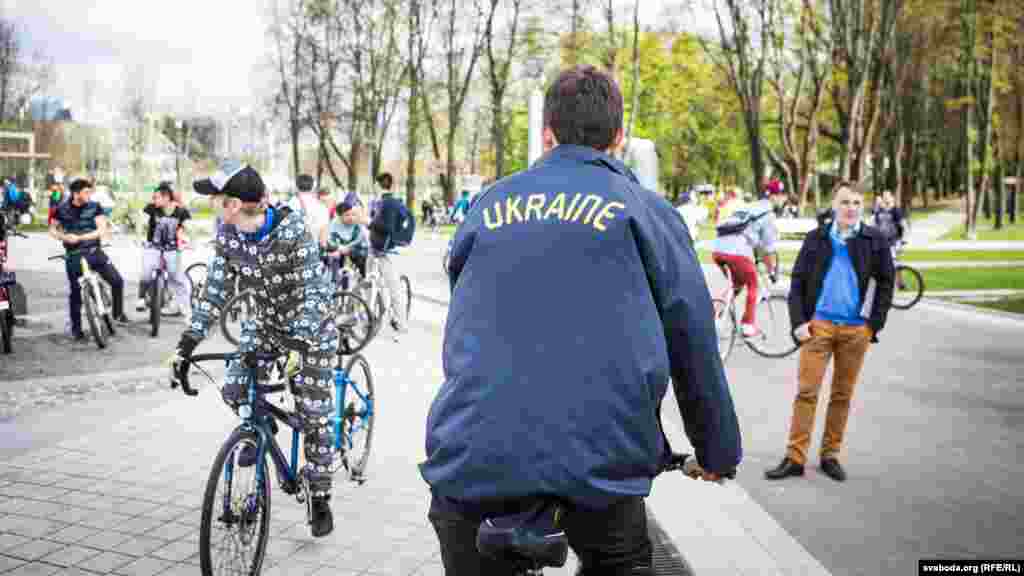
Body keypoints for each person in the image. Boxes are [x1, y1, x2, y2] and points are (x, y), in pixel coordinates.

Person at [420, 65, 741, 575]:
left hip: (471, 453)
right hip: (601, 461)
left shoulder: (488, 204)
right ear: (618, 137)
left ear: (548, 131)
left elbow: (466, 314)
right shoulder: (647, 211)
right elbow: (692, 338)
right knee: (620, 552)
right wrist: (717, 450)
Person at [171, 160, 340, 536]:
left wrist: (299, 342)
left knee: (313, 413)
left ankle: (321, 494)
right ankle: (261, 428)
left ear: (232, 204)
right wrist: (187, 343)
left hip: (310, 328)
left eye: (215, 199)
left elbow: (312, 291)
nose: (212, 205)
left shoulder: (293, 229)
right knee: (233, 387)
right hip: (264, 324)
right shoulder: (228, 234)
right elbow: (215, 291)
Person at [765, 182, 894, 483]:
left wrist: (873, 325)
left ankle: (830, 455)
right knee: (806, 392)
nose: (851, 208)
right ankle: (795, 458)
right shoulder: (817, 239)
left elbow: (887, 284)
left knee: (841, 395)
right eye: (845, 202)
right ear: (834, 205)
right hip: (818, 327)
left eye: (857, 203)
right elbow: (797, 282)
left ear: (863, 207)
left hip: (855, 330)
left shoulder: (875, 240)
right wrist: (799, 322)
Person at [50, 178, 129, 341]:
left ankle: (117, 315)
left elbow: (102, 229)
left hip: (94, 251)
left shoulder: (95, 206)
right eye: (86, 192)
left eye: (89, 191)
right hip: (74, 255)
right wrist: (64, 237)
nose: (89, 195)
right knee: (75, 294)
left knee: (117, 281)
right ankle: (76, 329)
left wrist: (80, 237)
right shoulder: (61, 209)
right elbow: (52, 230)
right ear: (75, 193)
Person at [709, 183, 787, 338]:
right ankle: (747, 325)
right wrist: (771, 271)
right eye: (780, 195)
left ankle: (713, 317)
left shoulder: (750, 207)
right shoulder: (768, 214)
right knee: (753, 283)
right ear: (773, 196)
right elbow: (768, 249)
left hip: (718, 249)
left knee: (736, 286)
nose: (782, 199)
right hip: (736, 251)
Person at [136, 182, 191, 317]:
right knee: (146, 270)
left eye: (156, 197)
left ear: (166, 198)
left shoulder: (181, 211)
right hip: (153, 246)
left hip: (172, 249)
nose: (153, 200)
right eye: (153, 197)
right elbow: (142, 221)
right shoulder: (151, 208)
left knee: (176, 276)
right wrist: (139, 237)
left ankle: (185, 308)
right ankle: (142, 298)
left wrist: (190, 241)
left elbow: (188, 227)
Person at [367, 172, 409, 336]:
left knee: (393, 287)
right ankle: (369, 317)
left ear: (377, 185)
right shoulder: (382, 203)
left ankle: (401, 323)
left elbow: (388, 228)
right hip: (376, 249)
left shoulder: (389, 204)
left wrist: (369, 222)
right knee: (372, 282)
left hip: (386, 251)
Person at [325, 199, 369, 288]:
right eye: (347, 215)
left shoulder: (358, 223)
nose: (351, 217)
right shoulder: (334, 225)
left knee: (361, 256)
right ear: (340, 216)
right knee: (334, 258)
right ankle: (335, 283)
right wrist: (338, 248)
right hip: (339, 250)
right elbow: (329, 240)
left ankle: (362, 280)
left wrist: (349, 248)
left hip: (356, 250)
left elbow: (362, 239)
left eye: (352, 214)